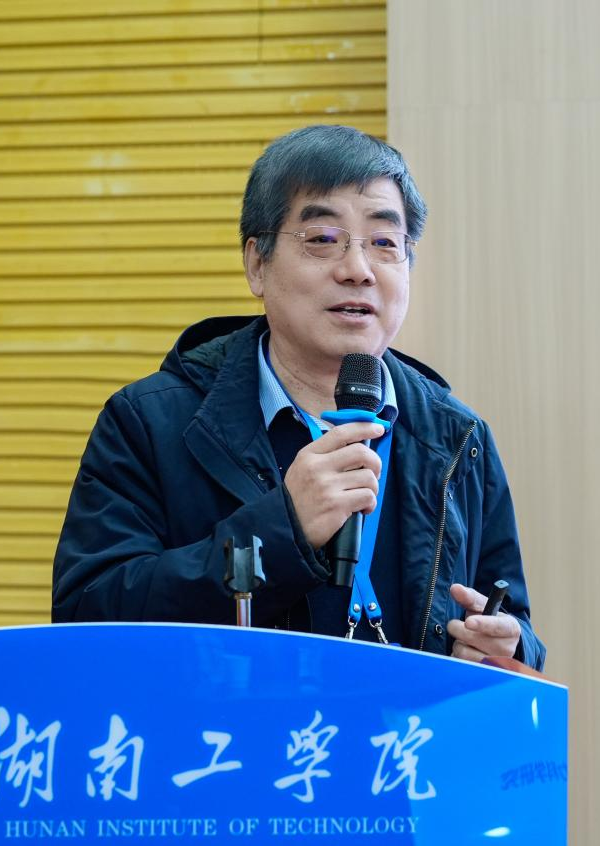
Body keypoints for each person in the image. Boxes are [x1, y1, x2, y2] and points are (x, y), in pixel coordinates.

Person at [52, 125, 544, 669]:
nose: (357, 270)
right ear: (257, 265)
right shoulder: (147, 422)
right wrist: (281, 530)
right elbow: (85, 621)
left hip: (401, 726)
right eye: (323, 239)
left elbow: (511, 616)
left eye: (385, 243)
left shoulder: (456, 437)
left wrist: (508, 643)